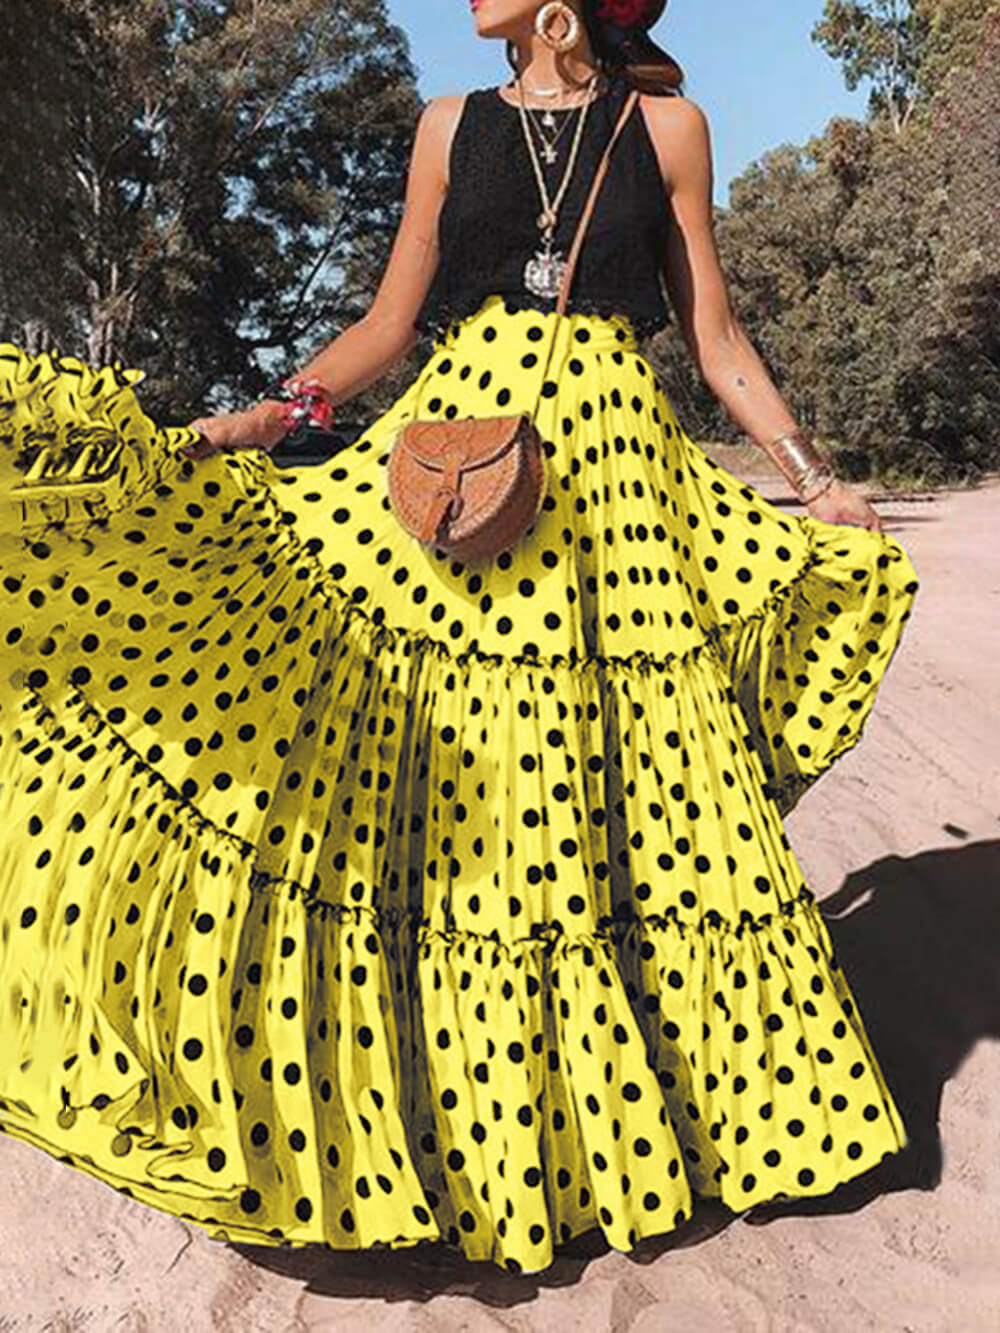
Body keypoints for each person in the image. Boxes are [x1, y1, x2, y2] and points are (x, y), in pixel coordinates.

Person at [0, 0, 919, 1277]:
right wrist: (272, 414)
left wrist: (812, 478)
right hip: (446, 462)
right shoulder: (447, 125)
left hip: (611, 486)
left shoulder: (670, 129)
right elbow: (389, 324)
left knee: (603, 786)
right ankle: (450, 1125)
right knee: (440, 777)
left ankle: (629, 1121)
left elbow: (713, 336)